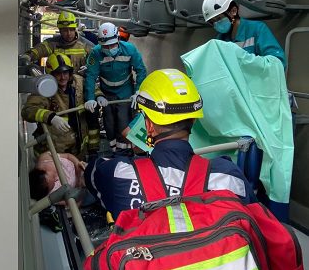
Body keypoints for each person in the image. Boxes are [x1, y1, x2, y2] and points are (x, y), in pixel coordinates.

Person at [86, 68, 255, 219]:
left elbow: (92, 174)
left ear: (149, 126)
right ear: (194, 120)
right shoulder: (228, 176)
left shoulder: (119, 173)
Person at [84, 22, 147, 154]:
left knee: (123, 121)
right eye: (105, 46)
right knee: (109, 123)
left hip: (125, 91)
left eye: (112, 45)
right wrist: (91, 98)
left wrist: (138, 91)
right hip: (106, 93)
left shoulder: (130, 49)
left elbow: (141, 70)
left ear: (118, 39)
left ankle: (125, 152)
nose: (109, 48)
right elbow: (90, 76)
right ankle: (113, 150)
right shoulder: (95, 54)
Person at [21, 53, 90, 159]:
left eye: (65, 72)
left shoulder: (79, 82)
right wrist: (50, 117)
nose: (63, 77)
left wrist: (96, 98)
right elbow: (27, 111)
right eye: (58, 74)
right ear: (51, 74)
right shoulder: (44, 89)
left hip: (78, 149)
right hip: (53, 154)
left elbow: (93, 89)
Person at [202, 0, 286, 68]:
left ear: (233, 11)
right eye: (212, 22)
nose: (216, 24)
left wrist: (247, 63)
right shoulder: (220, 40)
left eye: (219, 18)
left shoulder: (256, 29)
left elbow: (279, 63)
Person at [21, 11, 91, 72]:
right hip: (57, 83)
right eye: (65, 30)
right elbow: (39, 50)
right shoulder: (53, 44)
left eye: (71, 29)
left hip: (78, 83)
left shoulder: (85, 45)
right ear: (60, 31)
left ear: (75, 29)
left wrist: (89, 68)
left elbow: (97, 58)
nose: (69, 33)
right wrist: (27, 57)